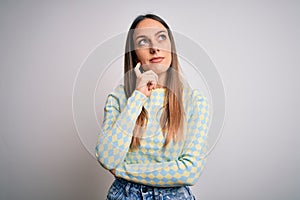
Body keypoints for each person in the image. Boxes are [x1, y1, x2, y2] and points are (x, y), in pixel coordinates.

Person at [95, 14, 210, 200]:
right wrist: (138, 96)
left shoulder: (195, 102)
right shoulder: (119, 98)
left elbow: (190, 171)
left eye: (161, 37)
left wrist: (123, 170)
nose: (154, 48)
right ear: (134, 53)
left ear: (171, 45)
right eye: (142, 41)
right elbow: (107, 158)